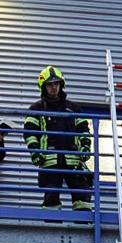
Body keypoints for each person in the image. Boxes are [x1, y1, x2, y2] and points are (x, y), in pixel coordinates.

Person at [23, 66, 92, 213]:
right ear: (44, 87)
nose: (53, 87)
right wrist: (34, 152)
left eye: (56, 83)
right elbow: (30, 133)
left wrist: (86, 147)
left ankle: (84, 225)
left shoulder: (73, 108)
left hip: (73, 160)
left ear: (61, 84)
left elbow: (84, 129)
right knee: (51, 198)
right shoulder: (36, 108)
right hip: (49, 161)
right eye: (49, 84)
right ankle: (51, 224)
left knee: (82, 197)